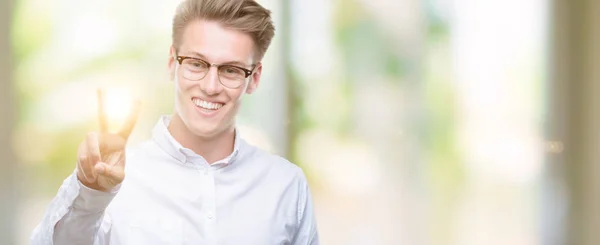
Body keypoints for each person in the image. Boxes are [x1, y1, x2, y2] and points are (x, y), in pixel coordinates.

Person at [30, 0, 320, 244]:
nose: (210, 86)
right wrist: (91, 194)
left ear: (253, 78)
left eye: (230, 70)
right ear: (172, 62)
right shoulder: (109, 180)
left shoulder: (286, 185)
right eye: (196, 63)